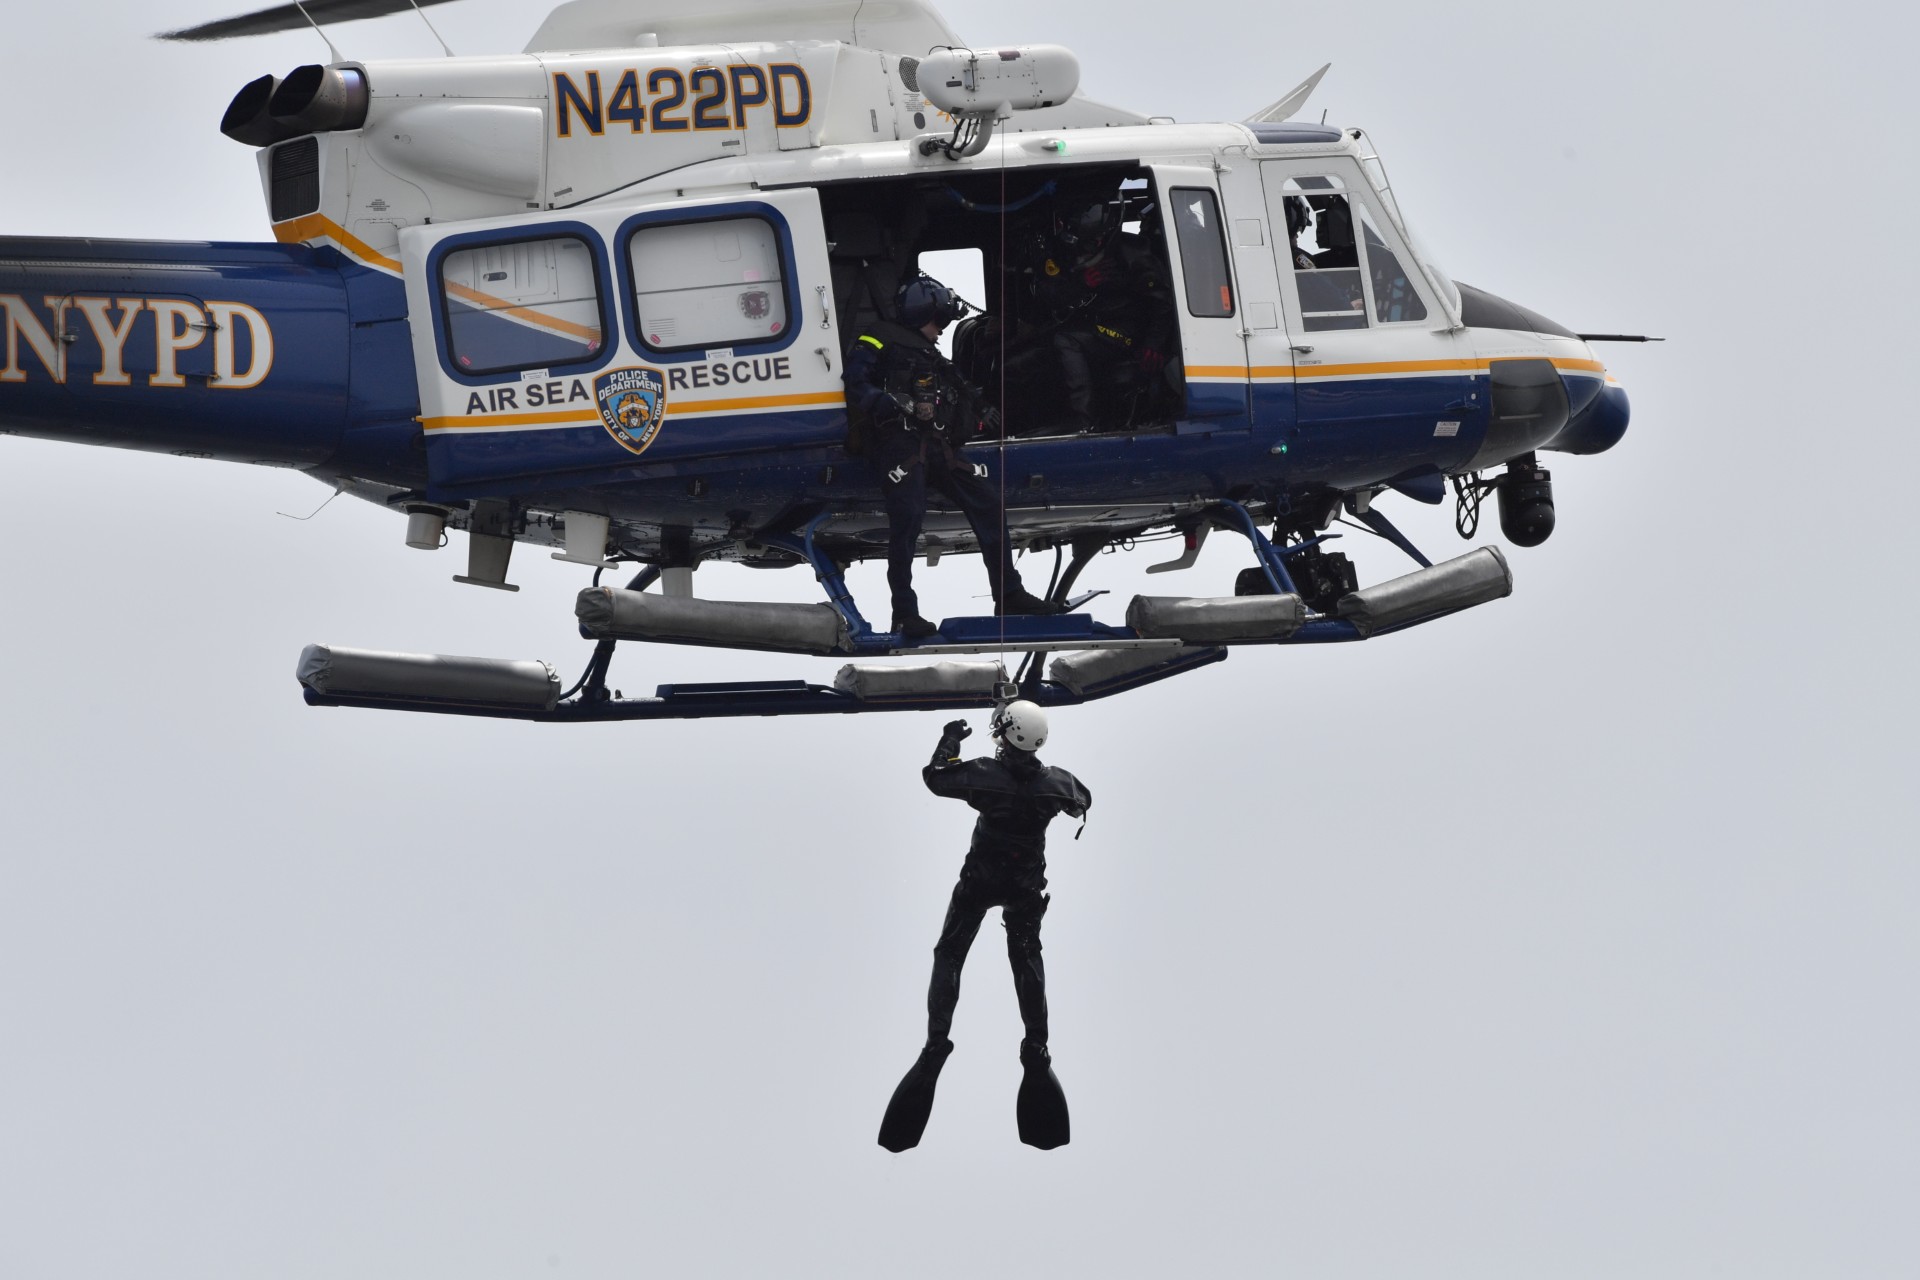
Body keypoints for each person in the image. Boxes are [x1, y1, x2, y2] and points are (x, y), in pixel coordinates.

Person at [876, 701, 1094, 1152]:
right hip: (1024, 887)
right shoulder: (1055, 783)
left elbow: (936, 777)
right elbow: (1082, 800)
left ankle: (937, 1044)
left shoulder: (983, 776)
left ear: (1001, 732)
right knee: (1026, 957)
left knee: (950, 954)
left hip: (980, 882)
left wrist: (951, 739)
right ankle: (1036, 1046)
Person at [844, 275, 1056, 637]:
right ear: (919, 315)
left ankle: (1009, 593)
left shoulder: (931, 353)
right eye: (937, 322)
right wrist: (890, 404)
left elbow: (959, 384)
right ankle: (904, 613)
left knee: (989, 504)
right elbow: (855, 381)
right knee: (908, 517)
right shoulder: (879, 337)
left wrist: (982, 408)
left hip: (940, 447)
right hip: (900, 445)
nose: (941, 331)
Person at [1035, 195, 1177, 433]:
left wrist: (1154, 344)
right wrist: (1081, 283)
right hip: (1093, 326)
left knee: (1065, 340)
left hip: (1127, 330)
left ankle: (1084, 420)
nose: (1088, 247)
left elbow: (1163, 302)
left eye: (1094, 241)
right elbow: (1049, 293)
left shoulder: (1132, 253)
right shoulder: (1065, 251)